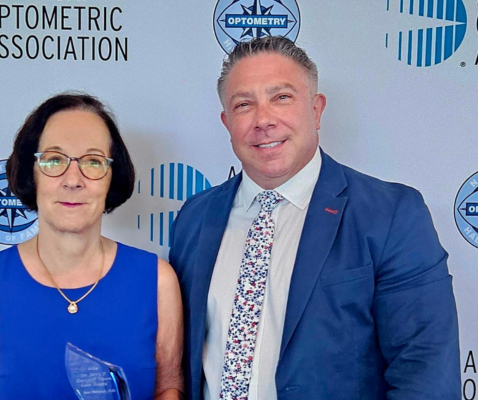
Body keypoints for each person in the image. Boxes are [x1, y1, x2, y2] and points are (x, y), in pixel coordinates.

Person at [169, 36, 460, 400]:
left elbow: (426, 372)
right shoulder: (194, 217)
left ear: (317, 109)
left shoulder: (391, 214)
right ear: (227, 122)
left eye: (282, 98)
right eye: (244, 105)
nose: (263, 120)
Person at [0, 93, 184, 399]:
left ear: (112, 176)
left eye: (93, 161)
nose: (73, 180)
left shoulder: (157, 281)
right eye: (54, 160)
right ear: (31, 172)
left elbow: (169, 389)